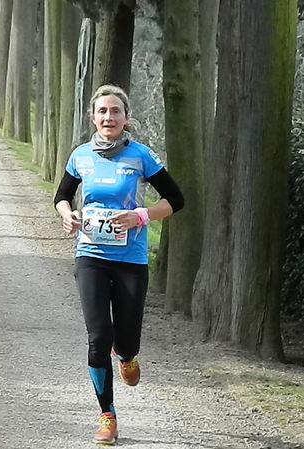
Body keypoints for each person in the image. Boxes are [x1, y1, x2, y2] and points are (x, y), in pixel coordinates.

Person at [53, 84, 184, 444]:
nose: (108, 117)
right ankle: (107, 415)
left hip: (130, 260)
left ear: (126, 118)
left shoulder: (141, 156)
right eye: (102, 112)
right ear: (93, 117)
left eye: (115, 112)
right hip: (91, 255)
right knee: (98, 337)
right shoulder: (81, 155)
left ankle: (126, 355)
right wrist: (69, 216)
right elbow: (62, 197)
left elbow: (176, 200)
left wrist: (140, 216)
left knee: (125, 341)